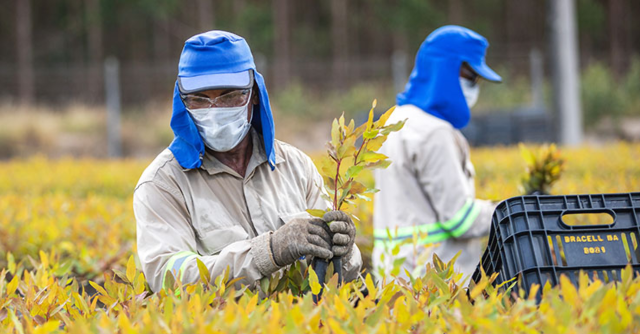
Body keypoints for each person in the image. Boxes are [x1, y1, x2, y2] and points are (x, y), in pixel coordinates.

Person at [134, 30, 361, 293]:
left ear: (254, 94)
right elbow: (168, 279)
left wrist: (345, 253)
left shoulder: (296, 167)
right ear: (183, 102)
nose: (215, 110)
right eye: (199, 100)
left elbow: (340, 279)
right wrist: (268, 252)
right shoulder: (162, 184)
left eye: (230, 96)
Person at [373, 25, 501, 280]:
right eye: (471, 77)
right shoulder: (434, 132)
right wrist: (510, 211)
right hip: (435, 284)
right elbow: (460, 220)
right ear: (445, 70)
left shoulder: (394, 121)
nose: (475, 86)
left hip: (394, 276)